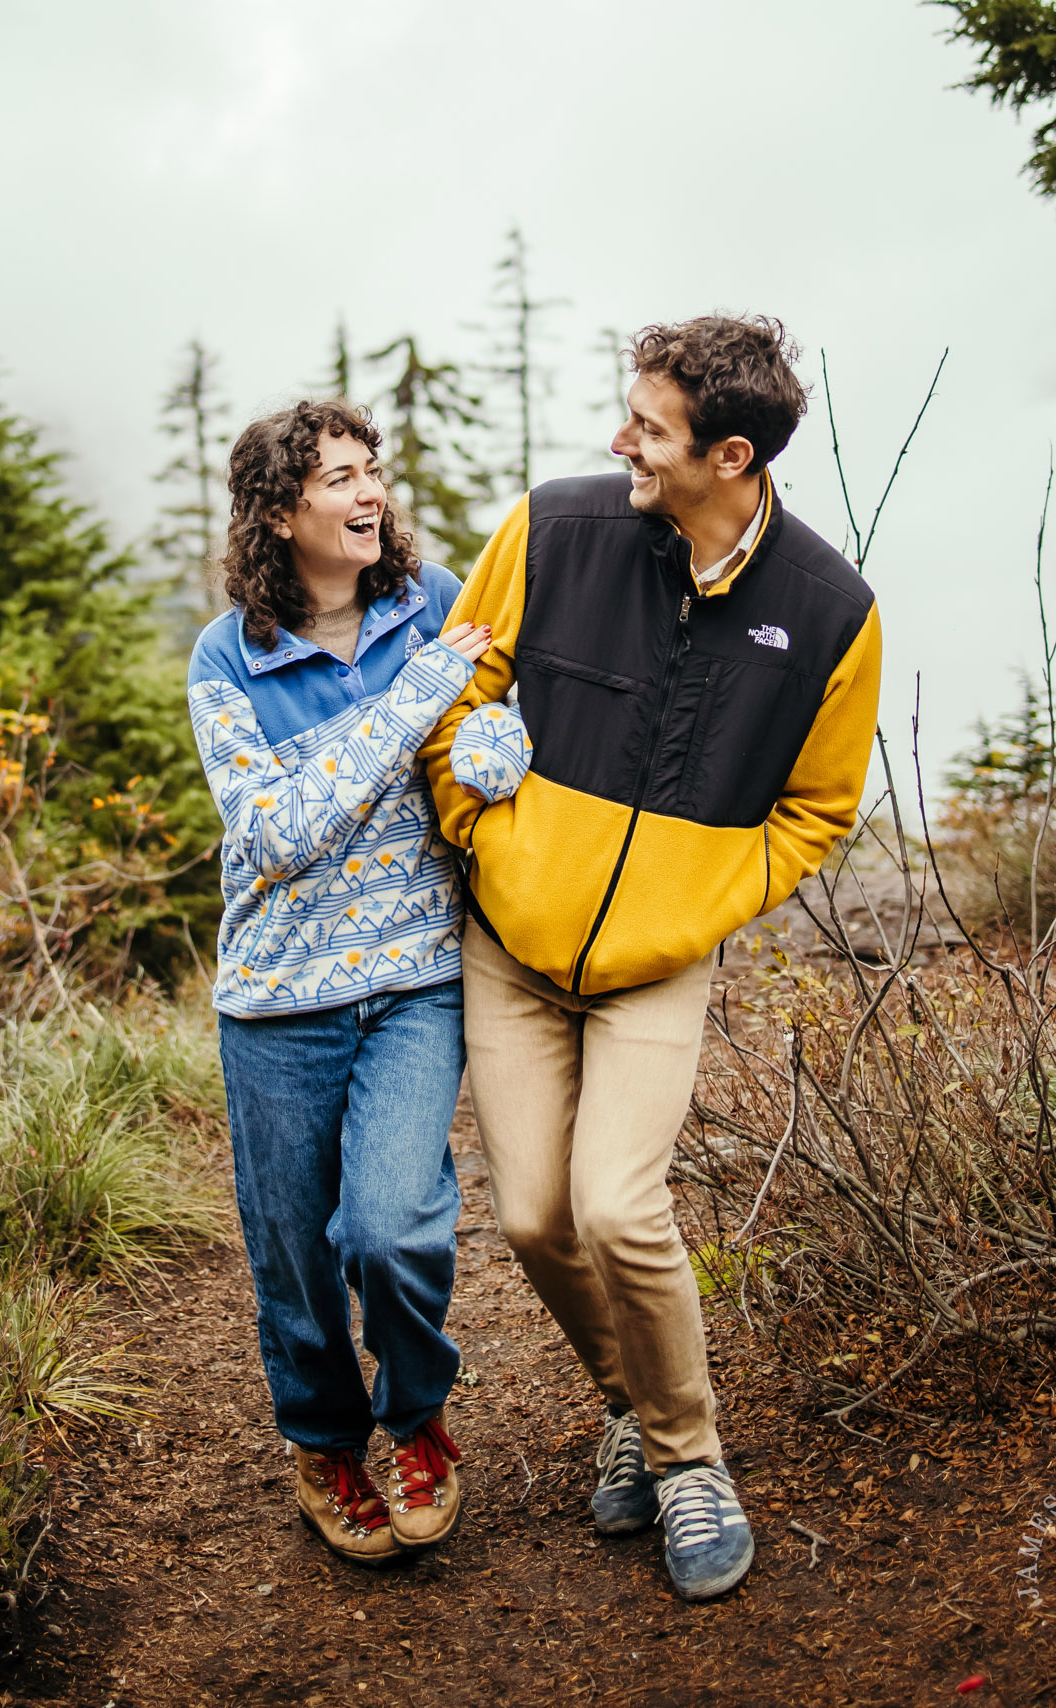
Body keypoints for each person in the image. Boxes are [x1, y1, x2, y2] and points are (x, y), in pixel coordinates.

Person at [420, 315, 881, 1603]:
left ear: (726, 454)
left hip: (654, 965)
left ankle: (687, 1461)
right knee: (531, 1215)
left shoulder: (828, 610)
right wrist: (479, 829)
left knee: (618, 1206)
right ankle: (632, 1400)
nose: (617, 439)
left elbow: (815, 807)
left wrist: (698, 903)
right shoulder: (554, 528)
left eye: (648, 426)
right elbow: (454, 682)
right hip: (510, 947)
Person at [187, 397, 499, 1565]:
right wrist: (410, 705)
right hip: (275, 1002)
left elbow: (493, 729)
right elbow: (274, 832)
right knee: (295, 1260)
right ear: (278, 511)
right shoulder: (230, 657)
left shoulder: (432, 606)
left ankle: (416, 1414)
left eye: (373, 471)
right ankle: (324, 1442)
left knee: (389, 1229)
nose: (370, 493)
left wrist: (483, 746)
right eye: (338, 478)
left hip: (417, 979)